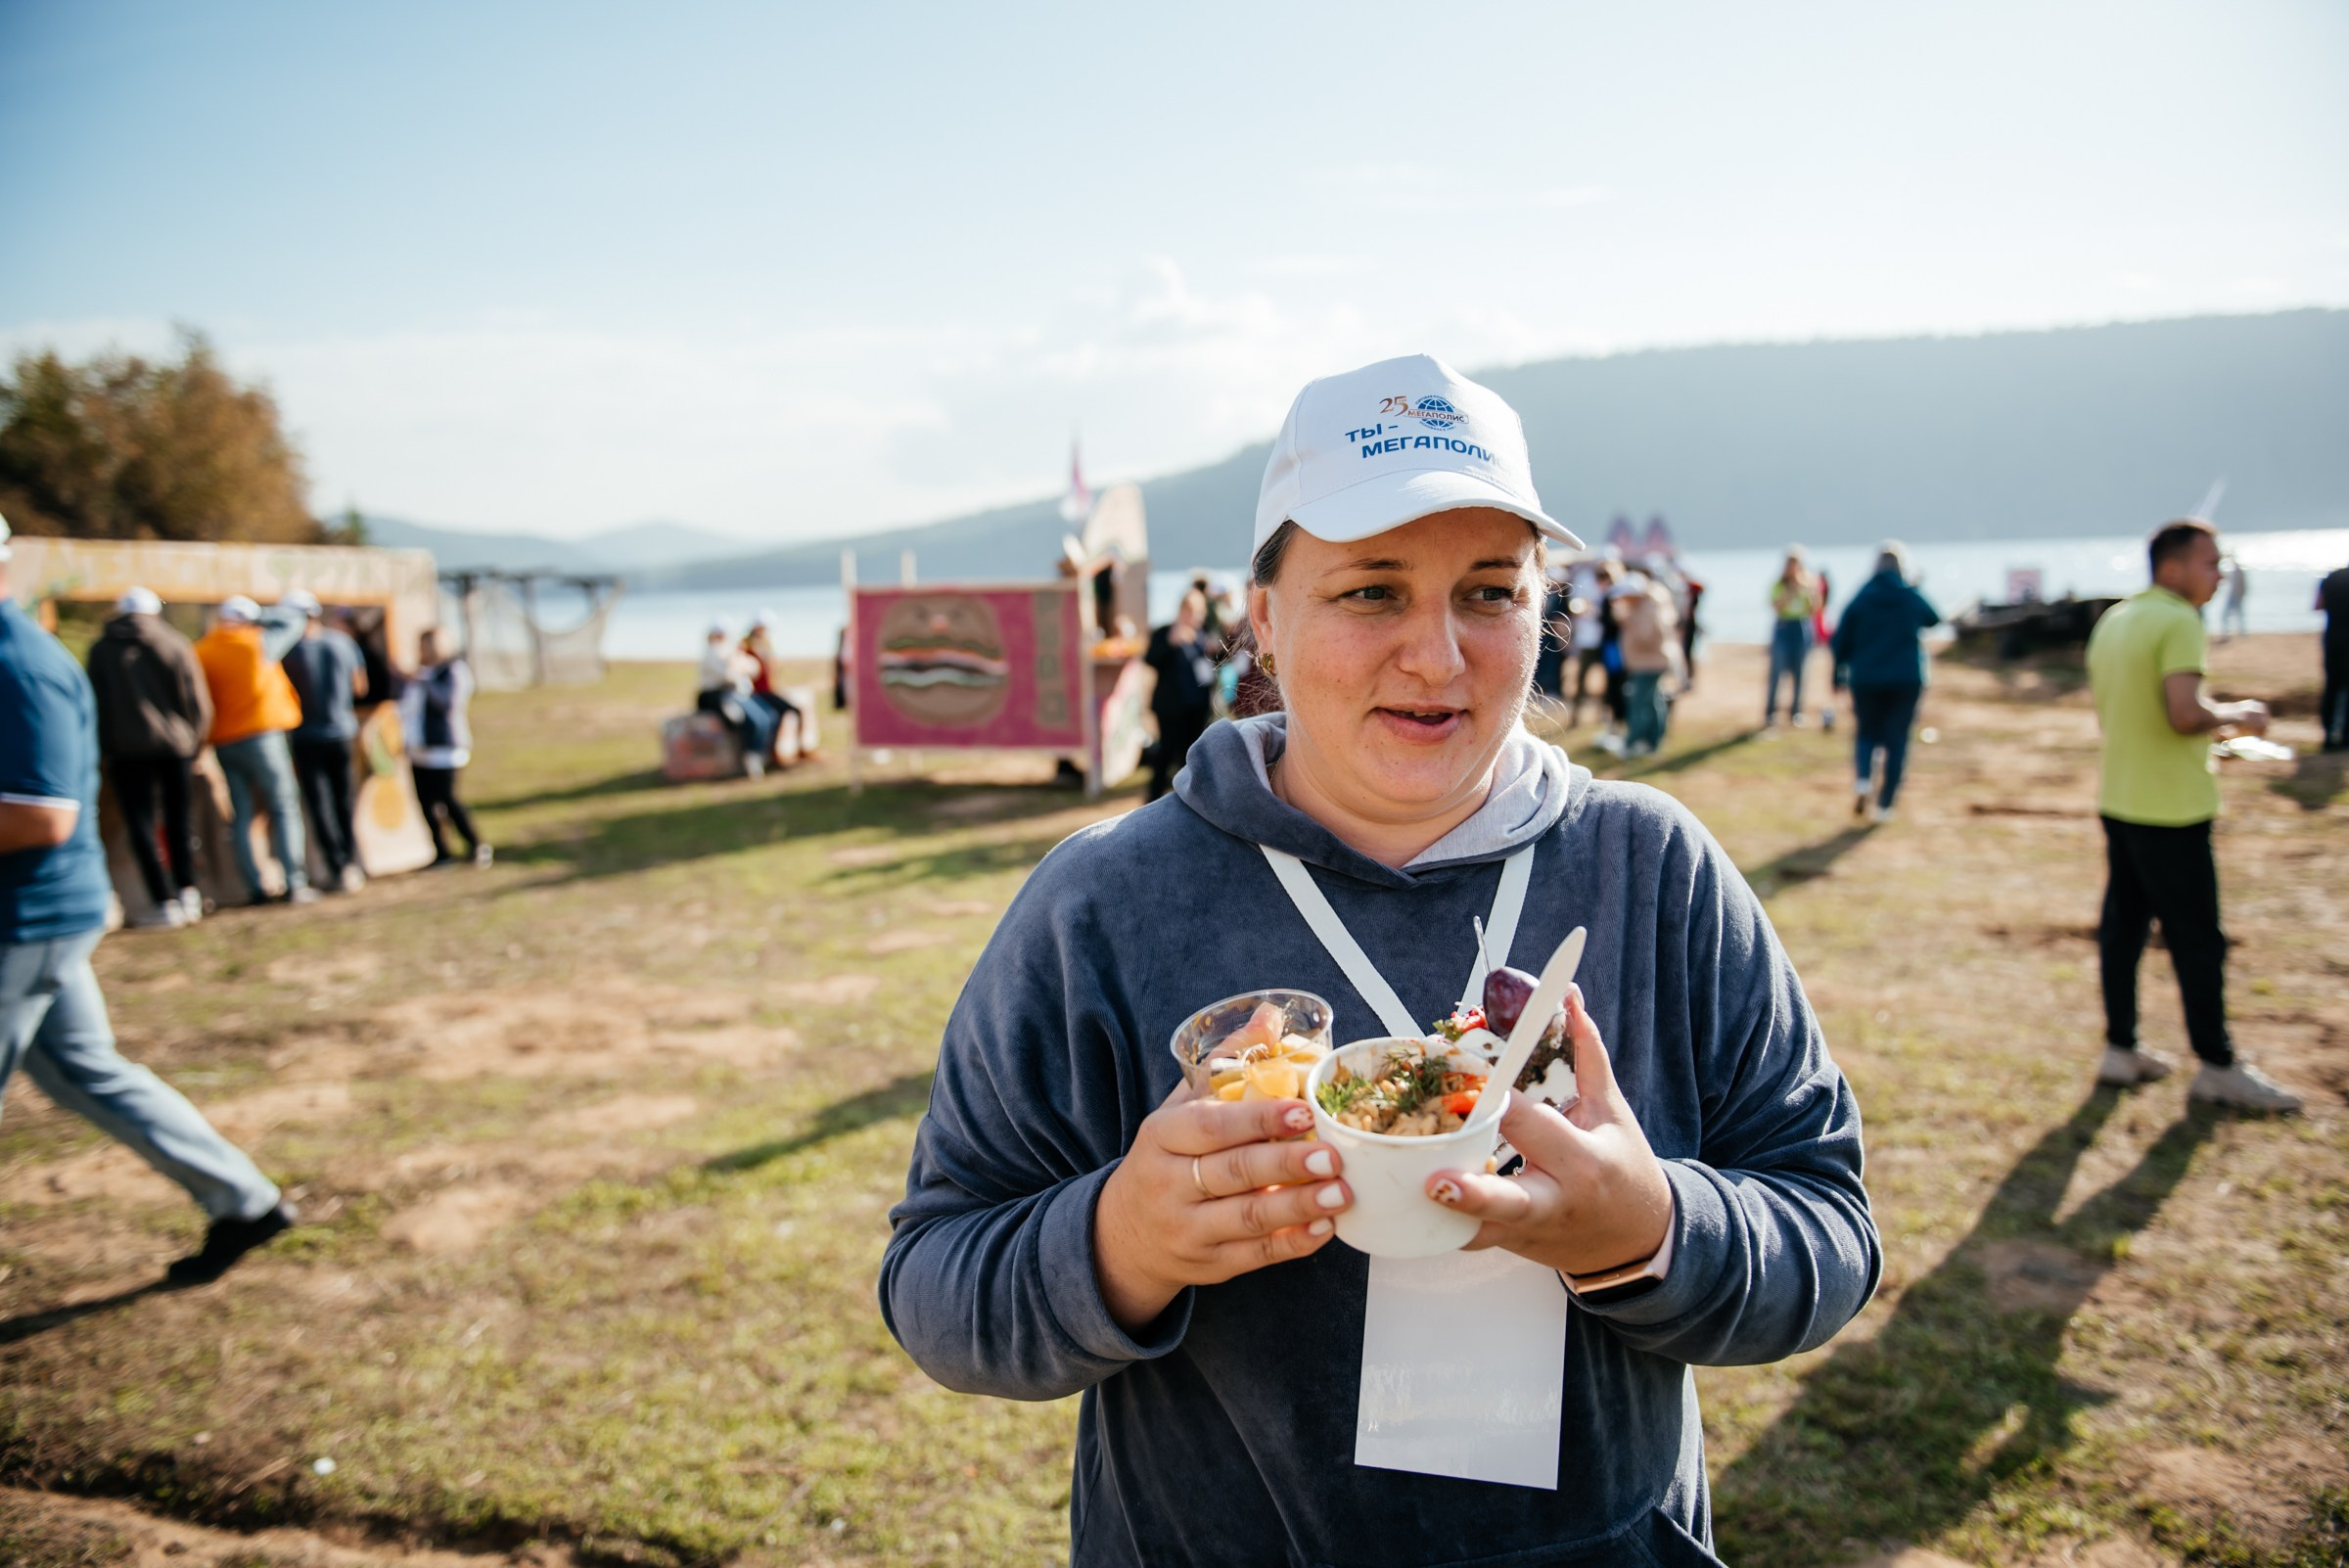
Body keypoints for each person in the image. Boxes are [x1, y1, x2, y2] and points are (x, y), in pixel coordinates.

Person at [881, 354, 1878, 1566]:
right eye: (1369, 591)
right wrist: (1124, 1243)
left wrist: (1653, 1228)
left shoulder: (1653, 872)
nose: (1438, 656)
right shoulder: (1109, 900)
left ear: (1542, 610)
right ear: (1264, 616)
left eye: (1488, 592)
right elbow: (936, 1285)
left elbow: (1828, 1230)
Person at [0, 516, 295, 1282]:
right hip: (53, 899)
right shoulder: (161, 646)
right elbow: (198, 704)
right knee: (80, 1069)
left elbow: (40, 813)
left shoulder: (21, 663)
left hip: (26, 915)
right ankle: (244, 1199)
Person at [2086, 519, 2299, 1112]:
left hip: (2121, 798)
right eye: (2210, 564)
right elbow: (2183, 713)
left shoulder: (2117, 618)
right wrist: (2240, 716)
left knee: (2123, 930)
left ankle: (2120, 1047)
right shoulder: (2179, 620)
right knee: (2198, 938)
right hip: (2171, 810)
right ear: (2171, 567)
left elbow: (2129, 712)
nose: (2219, 574)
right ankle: (2218, 1064)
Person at [83, 585, 212, 928]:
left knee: (140, 824)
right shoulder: (174, 643)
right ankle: (188, 890)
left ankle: (163, 900)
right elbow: (197, 701)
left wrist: (103, 748)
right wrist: (195, 741)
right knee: (178, 820)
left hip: (125, 751)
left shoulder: (101, 650)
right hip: (175, 747)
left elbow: (95, 705)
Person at [195, 594, 316, 906]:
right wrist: (259, 616)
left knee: (242, 815)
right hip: (262, 737)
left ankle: (253, 885)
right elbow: (294, 619)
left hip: (224, 741)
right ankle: (295, 881)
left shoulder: (203, 650)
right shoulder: (257, 643)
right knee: (283, 805)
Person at [1828, 542, 1942, 824]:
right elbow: (1935, 619)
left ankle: (1864, 779)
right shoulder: (1909, 595)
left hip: (1866, 676)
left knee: (1867, 732)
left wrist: (1838, 671)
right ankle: (1885, 805)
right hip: (1906, 678)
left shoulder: (1863, 595)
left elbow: (1840, 638)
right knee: (1897, 738)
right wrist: (1915, 588)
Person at [280, 589, 371, 894]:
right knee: (345, 800)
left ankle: (338, 866)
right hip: (344, 732)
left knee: (321, 806)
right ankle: (353, 862)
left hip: (307, 737)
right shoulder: (343, 643)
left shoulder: (287, 651)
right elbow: (360, 687)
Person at [398, 629, 490, 868]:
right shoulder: (422, 674)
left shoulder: (453, 670)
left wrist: (422, 680)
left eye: (423, 646)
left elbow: (447, 702)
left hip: (445, 747)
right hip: (419, 747)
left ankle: (476, 844)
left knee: (448, 799)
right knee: (426, 802)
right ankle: (442, 852)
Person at [1142, 588, 1218, 803]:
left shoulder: (1203, 635)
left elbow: (1217, 664)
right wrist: (1170, 643)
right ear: (1181, 610)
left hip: (1197, 705)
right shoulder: (1165, 631)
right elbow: (1150, 659)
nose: (1193, 616)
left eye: (1198, 612)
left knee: (1192, 755)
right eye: (1189, 611)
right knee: (1165, 753)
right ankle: (1153, 799)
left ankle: (1190, 799)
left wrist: (1215, 651)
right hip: (1170, 706)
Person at [1615, 572, 1683, 757]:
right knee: (1653, 701)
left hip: (1649, 663)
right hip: (1648, 662)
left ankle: (1635, 742)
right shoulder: (1646, 606)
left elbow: (1647, 637)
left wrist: (1627, 624)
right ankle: (1651, 741)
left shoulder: (1648, 608)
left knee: (1640, 703)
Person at [696, 621, 777, 772]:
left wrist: (738, 667)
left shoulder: (730, 651)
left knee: (765, 717)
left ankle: (758, 754)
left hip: (736, 693)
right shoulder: (713, 652)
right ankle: (751, 757)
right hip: (720, 696)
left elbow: (754, 667)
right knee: (750, 721)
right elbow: (728, 675)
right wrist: (738, 668)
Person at [1765, 549, 1820, 728]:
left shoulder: (1809, 583)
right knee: (1777, 672)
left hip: (1801, 626)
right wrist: (1791, 591)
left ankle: (1796, 711)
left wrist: (1807, 591)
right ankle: (1771, 712)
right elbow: (1776, 606)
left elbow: (1816, 608)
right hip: (1784, 626)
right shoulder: (1779, 584)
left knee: (1801, 672)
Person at [2315, 561, 2347, 752]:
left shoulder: (2332, 576)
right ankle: (2344, 737)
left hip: (2332, 637)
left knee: (2332, 686)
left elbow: (2318, 605)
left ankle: (2328, 736)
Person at [2218, 554, 2248, 640]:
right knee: (2237, 615)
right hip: (2234, 596)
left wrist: (2241, 595)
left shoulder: (2238, 571)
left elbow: (2243, 586)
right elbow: (2226, 577)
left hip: (2235, 597)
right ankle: (2231, 633)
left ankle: (2238, 633)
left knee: (2232, 615)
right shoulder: (2235, 571)